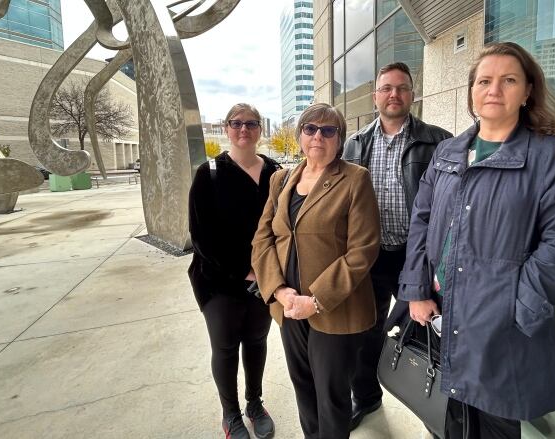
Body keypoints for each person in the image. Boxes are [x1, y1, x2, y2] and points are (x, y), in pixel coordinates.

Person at [400, 42, 555, 438]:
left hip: (500, 327)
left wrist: (517, 308)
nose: (494, 90)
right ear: (472, 90)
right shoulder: (448, 152)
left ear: (527, 92)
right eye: (484, 80)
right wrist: (417, 289)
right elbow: (421, 220)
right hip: (439, 311)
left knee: (492, 425)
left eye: (508, 80)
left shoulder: (552, 157)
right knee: (443, 418)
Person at [251, 103, 380, 439]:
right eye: (310, 129)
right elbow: (263, 239)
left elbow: (362, 250)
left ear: (340, 138)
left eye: (328, 130)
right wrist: (279, 291)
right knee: (303, 388)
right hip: (289, 305)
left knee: (332, 397)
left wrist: (316, 300)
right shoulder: (281, 179)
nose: (317, 136)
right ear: (300, 135)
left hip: (332, 308)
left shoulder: (355, 179)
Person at [342, 61, 452, 430]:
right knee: (365, 332)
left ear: (412, 94)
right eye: (386, 88)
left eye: (402, 88)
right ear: (375, 97)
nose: (394, 94)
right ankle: (367, 398)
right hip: (370, 257)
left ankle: (436, 407)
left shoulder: (439, 141)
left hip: (417, 257)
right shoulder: (354, 144)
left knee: (431, 331)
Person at [187, 103, 279, 439]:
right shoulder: (208, 173)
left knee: (256, 340)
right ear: (226, 128)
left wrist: (269, 274)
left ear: (260, 129)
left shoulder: (275, 172)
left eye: (251, 123)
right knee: (225, 346)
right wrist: (246, 272)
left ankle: (255, 403)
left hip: (265, 280)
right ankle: (231, 415)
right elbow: (202, 235)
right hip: (219, 281)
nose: (244, 129)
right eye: (236, 123)